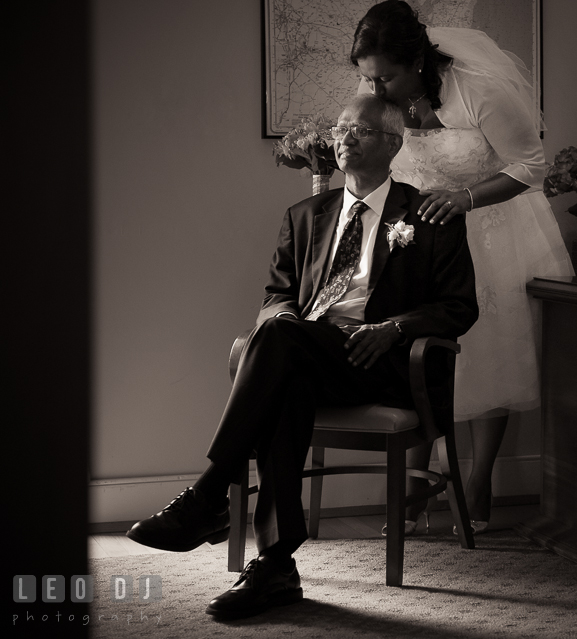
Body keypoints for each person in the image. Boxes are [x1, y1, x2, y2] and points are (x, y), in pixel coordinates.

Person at [125, 94, 479, 619]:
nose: (343, 140)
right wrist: (284, 317)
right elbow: (277, 295)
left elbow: (458, 307)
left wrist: (395, 327)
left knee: (277, 348)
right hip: (308, 355)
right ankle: (275, 565)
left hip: (382, 363)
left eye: (357, 131)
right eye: (339, 131)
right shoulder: (305, 214)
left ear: (392, 143)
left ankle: (210, 495)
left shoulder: (427, 216)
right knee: (281, 354)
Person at [350, 0, 574, 534]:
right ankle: (412, 491)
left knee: (489, 354)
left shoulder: (479, 90)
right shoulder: (379, 98)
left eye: (385, 78)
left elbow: (534, 166)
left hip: (490, 231)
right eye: (368, 79)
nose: (375, 91)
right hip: (418, 238)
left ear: (416, 63)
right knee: (413, 354)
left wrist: (467, 199)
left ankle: (478, 486)